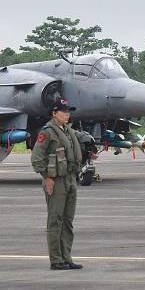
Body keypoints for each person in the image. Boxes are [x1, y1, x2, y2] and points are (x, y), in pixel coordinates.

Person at [31, 98, 83, 270]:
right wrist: (46, 177)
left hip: (70, 179)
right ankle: (56, 259)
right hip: (56, 180)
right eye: (63, 111)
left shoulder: (68, 131)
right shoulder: (47, 132)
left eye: (68, 111)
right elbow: (37, 157)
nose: (67, 114)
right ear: (54, 113)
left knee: (68, 220)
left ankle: (66, 256)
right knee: (55, 220)